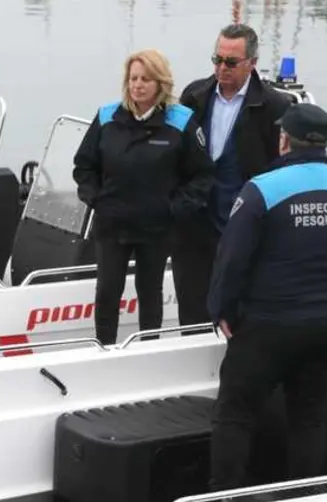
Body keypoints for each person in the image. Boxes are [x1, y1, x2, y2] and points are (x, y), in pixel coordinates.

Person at [206, 103, 327, 495]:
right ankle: (302, 499)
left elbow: (231, 259)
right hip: (326, 327)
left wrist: (222, 310)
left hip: (267, 324)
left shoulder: (262, 190)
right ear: (324, 142)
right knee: (309, 417)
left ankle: (221, 499)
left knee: (235, 413)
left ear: (284, 140)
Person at [72, 48, 215, 346]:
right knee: (107, 291)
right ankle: (105, 349)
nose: (137, 85)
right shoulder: (107, 117)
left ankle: (149, 347)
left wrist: (175, 208)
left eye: (145, 79)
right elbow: (84, 165)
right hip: (112, 224)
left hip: (157, 227)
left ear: (160, 83)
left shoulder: (181, 122)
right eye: (133, 78)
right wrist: (96, 198)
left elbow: (202, 175)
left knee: (150, 292)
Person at [174, 23, 292, 328]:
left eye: (230, 62)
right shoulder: (194, 95)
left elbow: (281, 169)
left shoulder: (275, 106)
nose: (221, 68)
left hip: (242, 225)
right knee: (191, 308)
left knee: (238, 310)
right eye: (217, 59)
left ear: (252, 63)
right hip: (193, 225)